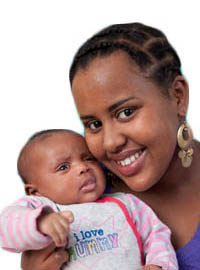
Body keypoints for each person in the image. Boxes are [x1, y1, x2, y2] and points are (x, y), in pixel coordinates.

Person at [21, 22, 200, 270]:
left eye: (126, 112)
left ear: (178, 96)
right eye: (94, 124)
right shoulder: (81, 193)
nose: (111, 142)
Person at [0, 129, 177, 270]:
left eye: (88, 159)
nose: (83, 167)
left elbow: (157, 234)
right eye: (63, 167)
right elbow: (6, 225)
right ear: (34, 191)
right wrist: (40, 222)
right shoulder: (42, 206)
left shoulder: (125, 203)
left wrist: (159, 264)